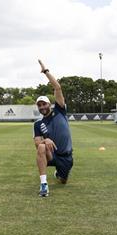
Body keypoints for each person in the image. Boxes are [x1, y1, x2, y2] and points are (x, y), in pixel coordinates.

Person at [33, 59, 73, 198]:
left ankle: (59, 173)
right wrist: (45, 141)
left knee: (63, 181)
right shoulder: (38, 124)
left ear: (49, 104)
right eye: (39, 105)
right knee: (41, 148)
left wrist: (46, 72)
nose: (42, 107)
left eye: (44, 104)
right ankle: (44, 185)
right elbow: (37, 143)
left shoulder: (60, 110)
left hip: (66, 156)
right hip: (52, 154)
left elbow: (57, 88)